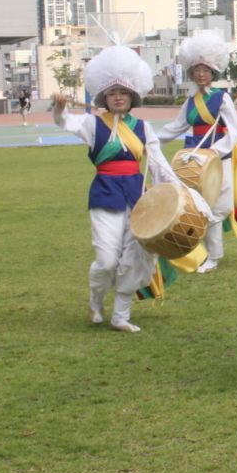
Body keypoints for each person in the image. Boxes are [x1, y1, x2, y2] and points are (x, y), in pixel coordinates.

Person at [52, 46, 182, 332]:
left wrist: (178, 192)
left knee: (136, 256)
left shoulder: (143, 127)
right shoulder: (92, 124)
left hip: (138, 197)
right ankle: (96, 301)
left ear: (132, 97)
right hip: (105, 194)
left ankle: (121, 316)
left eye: (123, 92)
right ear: (105, 98)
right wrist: (59, 110)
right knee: (107, 260)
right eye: (112, 93)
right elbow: (66, 122)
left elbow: (158, 163)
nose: (118, 97)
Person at [157, 31, 237, 274]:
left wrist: (215, 151)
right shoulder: (190, 101)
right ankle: (200, 253)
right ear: (191, 73)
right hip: (194, 158)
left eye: (205, 70)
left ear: (213, 73)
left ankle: (213, 256)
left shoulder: (222, 98)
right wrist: (152, 141)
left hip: (217, 158)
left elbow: (234, 131)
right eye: (197, 70)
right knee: (196, 206)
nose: (201, 74)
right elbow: (176, 127)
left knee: (217, 207)